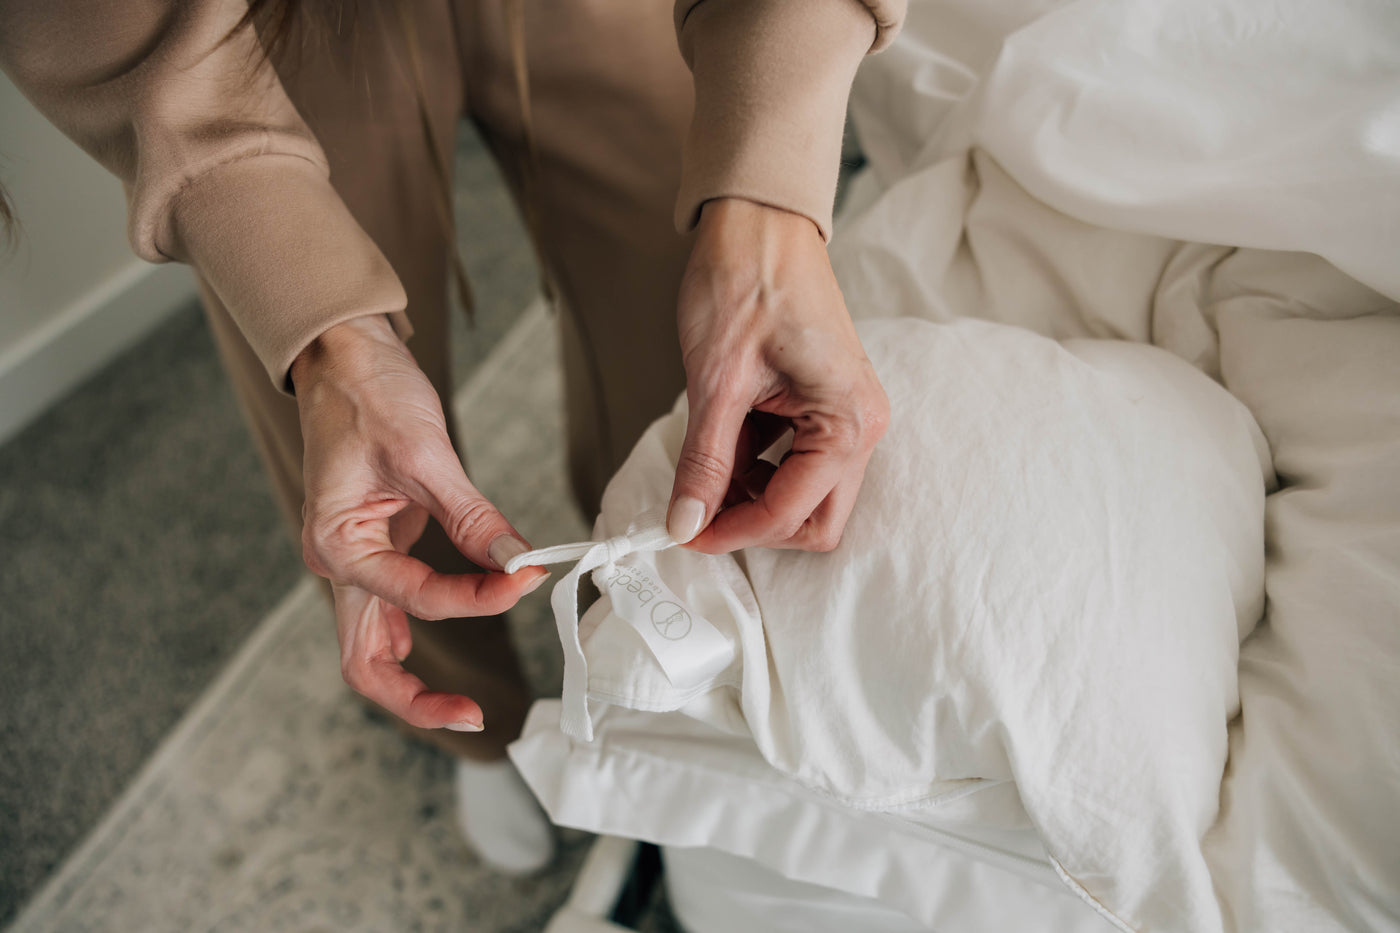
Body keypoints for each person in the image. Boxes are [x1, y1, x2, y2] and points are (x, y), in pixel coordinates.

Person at [0, 0, 899, 873]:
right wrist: (327, 339)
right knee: (357, 440)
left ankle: (653, 681)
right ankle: (482, 726)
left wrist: (770, 205)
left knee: (689, 361)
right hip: (273, 25)